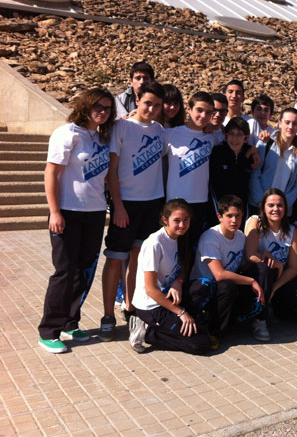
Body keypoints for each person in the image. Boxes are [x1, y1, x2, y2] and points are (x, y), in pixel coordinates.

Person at [38, 88, 115, 353]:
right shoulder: (67, 134)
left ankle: (71, 322)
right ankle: (49, 330)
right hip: (68, 212)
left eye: (107, 108)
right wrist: (55, 212)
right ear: (85, 105)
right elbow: (51, 174)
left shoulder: (102, 136)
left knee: (84, 270)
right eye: (98, 106)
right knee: (64, 272)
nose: (102, 112)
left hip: (94, 213)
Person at [99, 82, 165, 341]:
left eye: (157, 105)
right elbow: (111, 171)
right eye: (148, 102)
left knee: (138, 258)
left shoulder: (160, 130)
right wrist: (118, 206)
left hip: (152, 203)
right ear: (137, 99)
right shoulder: (121, 126)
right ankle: (107, 315)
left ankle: (130, 307)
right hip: (126, 203)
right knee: (115, 258)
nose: (152, 109)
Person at [128, 199, 212, 354]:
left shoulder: (180, 236)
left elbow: (183, 266)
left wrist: (178, 282)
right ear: (165, 220)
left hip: (170, 294)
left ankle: (177, 325)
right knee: (202, 344)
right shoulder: (154, 244)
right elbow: (151, 290)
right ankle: (147, 331)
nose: (182, 225)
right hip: (151, 306)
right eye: (177, 221)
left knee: (205, 285)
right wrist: (181, 312)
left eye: (186, 220)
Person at [190, 195, 265, 344]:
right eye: (229, 216)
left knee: (259, 276)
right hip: (205, 291)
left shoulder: (240, 237)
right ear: (219, 216)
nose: (234, 221)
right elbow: (219, 275)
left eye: (237, 216)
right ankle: (214, 331)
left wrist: (262, 257)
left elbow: (242, 266)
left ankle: (235, 322)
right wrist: (251, 281)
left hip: (227, 289)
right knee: (228, 286)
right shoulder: (211, 236)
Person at [244, 188, 297, 341]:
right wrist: (276, 265)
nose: (275, 209)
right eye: (271, 205)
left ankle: (277, 311)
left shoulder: (292, 230)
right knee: (266, 268)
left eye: (280, 205)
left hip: (278, 280)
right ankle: (259, 320)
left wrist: (275, 287)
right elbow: (250, 254)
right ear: (263, 206)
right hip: (255, 278)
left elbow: (294, 268)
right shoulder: (255, 222)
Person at [164, 91, 215, 244]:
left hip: (200, 202)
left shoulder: (212, 138)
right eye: (199, 110)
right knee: (172, 248)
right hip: (175, 201)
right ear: (189, 109)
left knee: (192, 250)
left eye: (208, 112)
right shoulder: (170, 134)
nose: (203, 116)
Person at [249, 108, 297, 217]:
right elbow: (255, 174)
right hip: (260, 207)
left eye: (295, 123)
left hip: (283, 211)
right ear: (279, 123)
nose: (290, 127)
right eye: (287, 122)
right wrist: (262, 202)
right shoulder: (266, 143)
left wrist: (284, 204)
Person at [209, 117, 255, 214]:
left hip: (242, 207)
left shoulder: (250, 153)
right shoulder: (217, 152)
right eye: (231, 134)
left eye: (239, 135)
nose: (235, 139)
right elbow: (213, 184)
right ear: (225, 135)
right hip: (221, 207)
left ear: (246, 138)